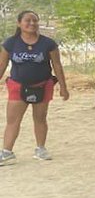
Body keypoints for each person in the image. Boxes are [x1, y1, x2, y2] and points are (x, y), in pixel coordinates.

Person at [0, 10, 68, 164]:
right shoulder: (10, 43)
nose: (32, 23)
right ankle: (7, 152)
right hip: (18, 86)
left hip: (42, 85)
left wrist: (63, 87)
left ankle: (41, 149)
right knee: (13, 120)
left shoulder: (48, 44)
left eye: (35, 20)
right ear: (19, 23)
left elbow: (57, 66)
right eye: (28, 20)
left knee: (40, 118)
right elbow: (2, 65)